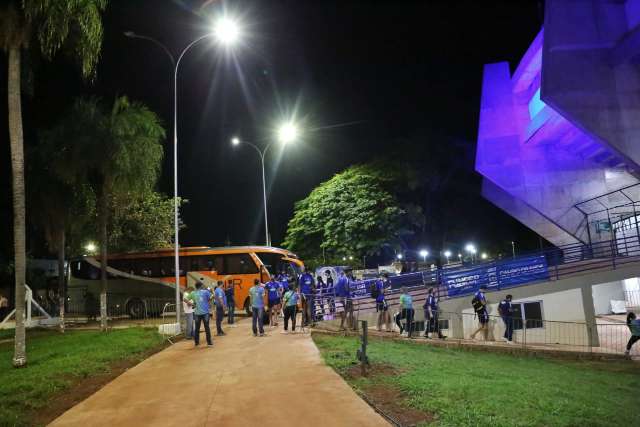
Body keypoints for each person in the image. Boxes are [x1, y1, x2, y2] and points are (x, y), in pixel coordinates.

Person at [189, 281, 213, 347]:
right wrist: (210, 293)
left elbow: (185, 299)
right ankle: (209, 343)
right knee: (207, 328)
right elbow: (211, 297)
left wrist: (192, 304)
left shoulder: (192, 293)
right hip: (205, 312)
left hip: (197, 313)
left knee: (197, 328)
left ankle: (196, 343)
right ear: (201, 286)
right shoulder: (205, 292)